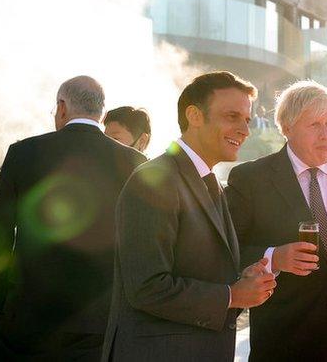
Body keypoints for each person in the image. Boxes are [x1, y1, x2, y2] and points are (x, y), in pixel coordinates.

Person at [103, 71, 276, 361]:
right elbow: (146, 287)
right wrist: (232, 295)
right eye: (232, 116)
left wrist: (240, 278)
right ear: (194, 116)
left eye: (246, 120)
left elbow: (196, 267)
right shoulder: (155, 179)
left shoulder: (208, 181)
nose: (245, 130)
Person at [0, 76, 147, 361]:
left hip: (27, 317)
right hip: (100, 320)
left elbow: (0, 229)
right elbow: (139, 242)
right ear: (102, 115)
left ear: (61, 107)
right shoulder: (133, 162)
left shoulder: (24, 152)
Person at [226, 80, 327, 362]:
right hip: (287, 345)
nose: (326, 135)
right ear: (286, 128)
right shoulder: (251, 180)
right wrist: (274, 258)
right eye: (315, 125)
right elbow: (226, 252)